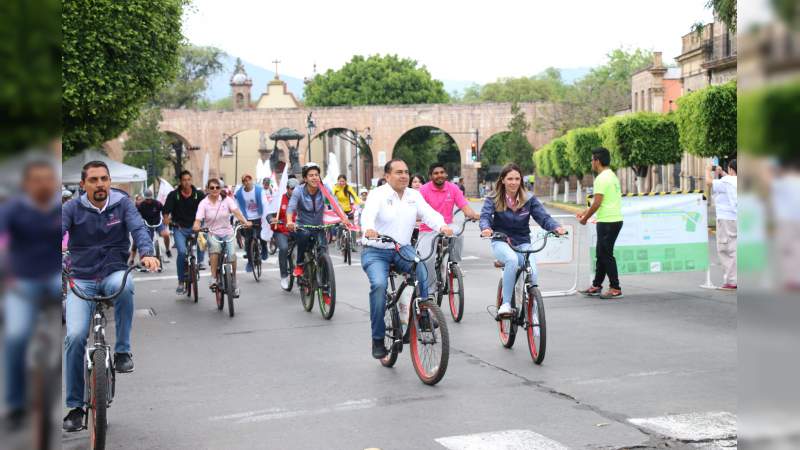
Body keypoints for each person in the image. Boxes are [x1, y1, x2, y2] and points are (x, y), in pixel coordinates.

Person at [61, 161, 159, 431]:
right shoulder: (71, 208)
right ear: (83, 185)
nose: (100, 184)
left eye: (104, 178)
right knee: (75, 336)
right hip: (81, 278)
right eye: (93, 180)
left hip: (114, 272)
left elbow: (138, 228)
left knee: (126, 286)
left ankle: (123, 351)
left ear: (109, 181)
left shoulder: (123, 204)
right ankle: (76, 407)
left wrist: (147, 252)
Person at [360, 159, 453, 359]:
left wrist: (442, 226)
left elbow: (429, 214)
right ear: (387, 176)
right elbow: (367, 215)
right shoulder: (378, 195)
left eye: (406, 172)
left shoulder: (414, 195)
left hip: (402, 248)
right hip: (376, 250)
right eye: (398, 172)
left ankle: (423, 314)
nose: (404, 176)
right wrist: (368, 228)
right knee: (378, 286)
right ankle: (377, 339)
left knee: (421, 269)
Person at [2, 160, 62, 429]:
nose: (43, 184)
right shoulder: (13, 209)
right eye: (36, 179)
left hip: (55, 277)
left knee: (75, 328)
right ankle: (16, 405)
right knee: (15, 337)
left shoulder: (61, 209)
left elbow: (69, 238)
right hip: (22, 280)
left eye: (47, 178)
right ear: (27, 184)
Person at [480, 163, 566, 316]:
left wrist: (556, 227)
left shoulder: (529, 199)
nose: (513, 182)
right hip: (501, 241)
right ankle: (506, 304)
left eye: (517, 179)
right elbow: (485, 216)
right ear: (503, 180)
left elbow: (543, 217)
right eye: (510, 179)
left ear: (521, 181)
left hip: (523, 241)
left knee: (532, 272)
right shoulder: (492, 198)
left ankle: (532, 312)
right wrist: (486, 229)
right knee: (512, 260)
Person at [418, 162, 481, 294]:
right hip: (428, 229)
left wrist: (474, 215)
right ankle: (430, 290)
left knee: (458, 232)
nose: (439, 175)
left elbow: (465, 207)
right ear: (430, 176)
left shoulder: (453, 189)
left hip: (448, 227)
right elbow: (418, 210)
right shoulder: (423, 190)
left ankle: (453, 264)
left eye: (442, 172)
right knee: (426, 259)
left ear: (446, 174)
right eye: (435, 173)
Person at [577, 147, 624, 299]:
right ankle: (596, 285)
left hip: (608, 221)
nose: (591, 163)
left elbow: (597, 203)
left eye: (592, 160)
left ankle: (615, 288)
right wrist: (584, 213)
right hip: (613, 220)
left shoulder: (601, 178)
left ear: (597, 161)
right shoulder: (612, 176)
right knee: (601, 253)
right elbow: (602, 202)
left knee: (606, 255)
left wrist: (584, 219)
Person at [192, 178, 251, 297]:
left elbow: (236, 212)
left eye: (217, 187)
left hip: (227, 232)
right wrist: (197, 225)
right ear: (207, 189)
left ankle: (233, 279)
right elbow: (198, 219)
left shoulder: (227, 200)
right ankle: (213, 277)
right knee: (214, 250)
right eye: (212, 188)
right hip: (212, 233)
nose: (215, 190)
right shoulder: (204, 203)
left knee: (232, 255)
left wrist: (245, 222)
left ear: (220, 189)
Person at [164, 170, 206, 295]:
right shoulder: (174, 195)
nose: (187, 182)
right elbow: (166, 212)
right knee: (182, 252)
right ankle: (181, 282)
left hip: (196, 227)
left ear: (191, 180)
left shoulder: (199, 194)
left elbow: (208, 205)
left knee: (202, 240)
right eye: (184, 180)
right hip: (180, 228)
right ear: (180, 182)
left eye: (189, 179)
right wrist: (167, 219)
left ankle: (200, 262)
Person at [286, 163, 328, 278]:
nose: (314, 177)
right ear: (305, 178)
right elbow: (290, 208)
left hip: (319, 226)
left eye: (316, 175)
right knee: (303, 235)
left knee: (324, 256)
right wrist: (289, 221)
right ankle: (299, 264)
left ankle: (325, 288)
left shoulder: (324, 188)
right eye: (311, 175)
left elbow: (335, 204)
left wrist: (344, 219)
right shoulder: (298, 191)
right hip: (303, 225)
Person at [706, 159, 737, 290]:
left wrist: (707, 170)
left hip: (726, 219)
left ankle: (731, 281)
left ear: (731, 169)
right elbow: (729, 183)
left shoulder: (727, 182)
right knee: (736, 248)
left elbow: (709, 183)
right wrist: (722, 173)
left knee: (726, 249)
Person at [267, 178, 299, 289]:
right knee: (284, 248)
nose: (295, 191)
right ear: (287, 189)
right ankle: (284, 276)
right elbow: (269, 213)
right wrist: (271, 219)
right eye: (292, 189)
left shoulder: (301, 198)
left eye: (297, 188)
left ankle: (304, 272)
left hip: (296, 229)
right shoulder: (279, 199)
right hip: (281, 230)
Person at [234, 173, 268, 272]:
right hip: (247, 218)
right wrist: (241, 220)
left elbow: (265, 203)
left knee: (261, 235)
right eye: (245, 180)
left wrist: (265, 217)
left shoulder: (259, 190)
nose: (247, 182)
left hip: (259, 216)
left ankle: (264, 248)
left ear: (251, 180)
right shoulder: (240, 193)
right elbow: (237, 207)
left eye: (249, 179)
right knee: (248, 241)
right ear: (243, 183)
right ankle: (250, 262)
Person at [132, 189, 172, 265]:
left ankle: (167, 250)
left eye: (150, 199)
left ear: (152, 197)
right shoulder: (141, 205)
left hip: (158, 223)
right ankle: (149, 257)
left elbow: (164, 211)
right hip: (147, 224)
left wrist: (166, 218)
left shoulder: (157, 204)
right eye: (147, 199)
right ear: (145, 198)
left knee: (166, 235)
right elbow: (136, 214)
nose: (148, 201)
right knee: (148, 241)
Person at [333, 174, 362, 251]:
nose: (341, 182)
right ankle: (338, 243)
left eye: (343, 181)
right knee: (340, 226)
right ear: (337, 181)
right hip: (339, 210)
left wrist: (360, 203)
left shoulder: (348, 188)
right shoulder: (335, 188)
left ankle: (353, 245)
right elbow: (331, 197)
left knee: (352, 227)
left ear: (345, 181)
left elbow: (355, 196)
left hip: (348, 209)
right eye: (340, 181)